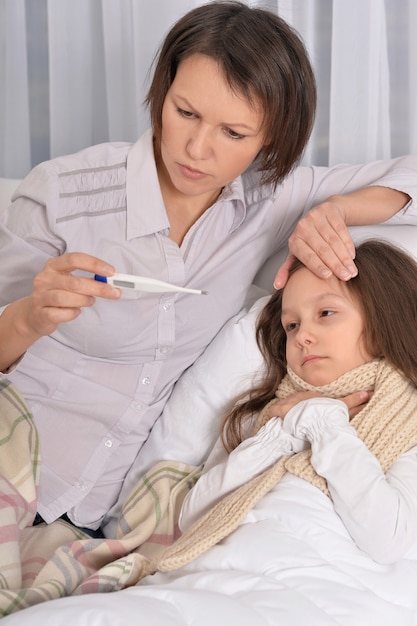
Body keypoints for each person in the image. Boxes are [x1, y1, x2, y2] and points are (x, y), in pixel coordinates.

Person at [0, 1, 416, 535]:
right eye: (184, 112)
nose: (196, 149)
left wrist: (338, 210)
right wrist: (30, 316)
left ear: (272, 139)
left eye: (234, 134)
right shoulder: (60, 193)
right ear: (162, 90)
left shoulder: (271, 199)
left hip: (96, 520)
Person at [179, 239, 417, 563]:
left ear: (386, 317)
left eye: (326, 313)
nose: (303, 335)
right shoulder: (276, 412)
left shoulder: (408, 420)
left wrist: (324, 422)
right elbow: (192, 518)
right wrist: (283, 433)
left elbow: (388, 540)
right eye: (292, 324)